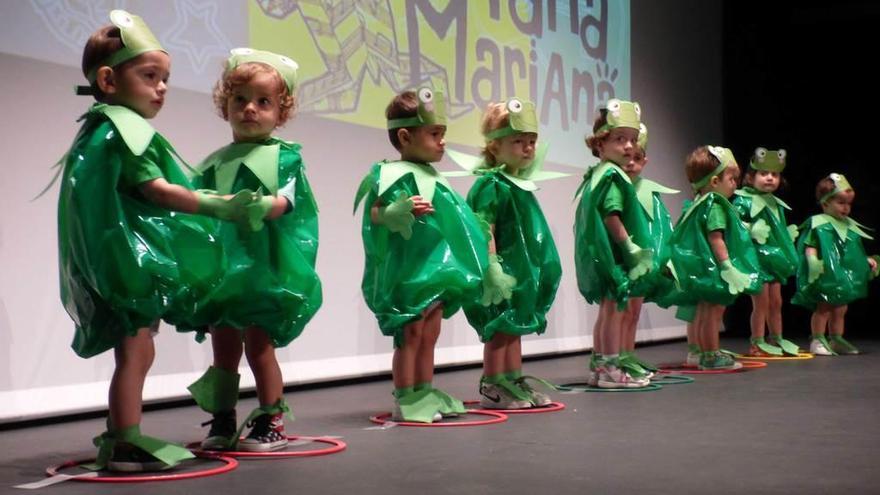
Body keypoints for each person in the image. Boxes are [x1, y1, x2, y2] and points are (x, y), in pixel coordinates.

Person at [58, 10, 262, 471]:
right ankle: (124, 438)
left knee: (137, 349)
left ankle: (123, 434)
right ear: (109, 79)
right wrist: (218, 205)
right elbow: (157, 191)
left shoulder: (98, 126)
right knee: (135, 350)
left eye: (165, 78)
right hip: (131, 265)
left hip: (117, 260)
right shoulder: (125, 130)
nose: (162, 87)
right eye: (150, 76)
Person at [187, 48, 322, 452]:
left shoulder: (284, 158)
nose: (250, 109)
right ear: (224, 104)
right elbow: (196, 208)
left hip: (263, 268)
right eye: (240, 99)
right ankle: (223, 420)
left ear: (281, 112)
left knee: (259, 345)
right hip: (224, 270)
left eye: (263, 102)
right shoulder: (213, 163)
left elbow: (290, 201)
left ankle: (270, 418)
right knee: (223, 348)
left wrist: (267, 206)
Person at [354, 88, 487, 422]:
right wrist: (394, 211)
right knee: (410, 332)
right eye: (434, 134)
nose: (442, 142)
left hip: (436, 269)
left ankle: (424, 390)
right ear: (405, 136)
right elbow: (375, 214)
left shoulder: (435, 177)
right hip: (409, 270)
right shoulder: (389, 174)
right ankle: (405, 397)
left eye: (443, 134)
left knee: (431, 331)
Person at [460, 98, 562, 409]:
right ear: (493, 146)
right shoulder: (491, 185)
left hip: (520, 269)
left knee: (514, 325)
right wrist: (491, 265)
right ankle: (493, 384)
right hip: (500, 269)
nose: (528, 148)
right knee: (499, 327)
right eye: (518, 141)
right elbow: (484, 226)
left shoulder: (518, 184)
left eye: (531, 141)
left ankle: (512, 379)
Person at [575, 99, 654, 388]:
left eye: (632, 140)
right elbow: (611, 216)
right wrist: (630, 247)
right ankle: (610, 367)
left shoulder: (601, 173)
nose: (629, 146)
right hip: (614, 256)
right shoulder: (611, 176)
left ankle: (601, 365)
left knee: (607, 310)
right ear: (599, 143)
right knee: (614, 310)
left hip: (604, 254)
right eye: (620, 139)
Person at [665, 146, 761, 370]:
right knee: (713, 311)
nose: (735, 184)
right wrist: (727, 266)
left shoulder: (698, 202)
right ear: (715, 181)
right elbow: (716, 237)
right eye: (731, 178)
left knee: (702, 310)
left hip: (700, 268)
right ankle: (710, 355)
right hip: (713, 268)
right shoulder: (715, 204)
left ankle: (697, 351)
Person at [792, 173, 878, 355]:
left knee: (841, 308)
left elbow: (852, 251)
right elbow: (810, 245)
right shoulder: (819, 225)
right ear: (825, 203)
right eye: (841, 203)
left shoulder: (848, 225)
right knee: (824, 307)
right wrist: (812, 261)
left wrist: (865, 260)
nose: (846, 208)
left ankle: (836, 338)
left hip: (841, 275)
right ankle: (817, 338)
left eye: (848, 203)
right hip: (825, 274)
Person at [619, 124, 678, 375]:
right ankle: (616, 357)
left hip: (644, 261)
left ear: (645, 160)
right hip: (625, 259)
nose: (631, 163)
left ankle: (627, 354)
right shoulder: (616, 187)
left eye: (637, 158)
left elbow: (661, 227)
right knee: (620, 312)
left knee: (634, 311)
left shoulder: (650, 191)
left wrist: (666, 258)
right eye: (627, 157)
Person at [732, 148, 800, 356]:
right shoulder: (743, 199)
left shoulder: (775, 203)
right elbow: (734, 224)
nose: (770, 178)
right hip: (757, 258)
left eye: (775, 174)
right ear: (751, 178)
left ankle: (776, 338)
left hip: (775, 259)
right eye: (764, 173)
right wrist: (751, 229)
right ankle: (756, 342)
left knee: (776, 301)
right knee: (760, 302)